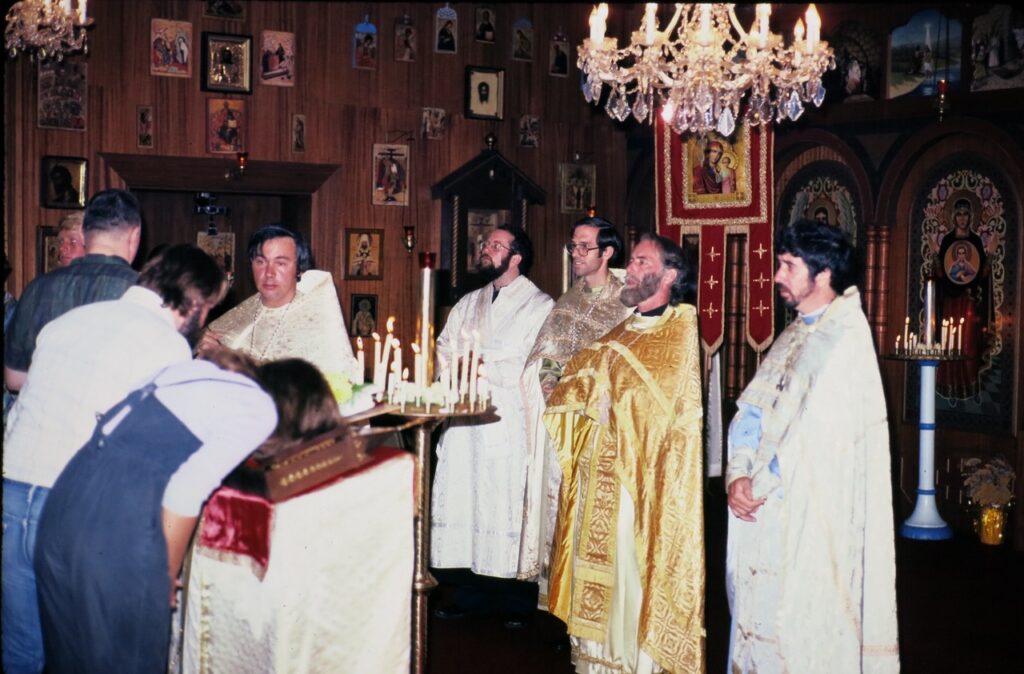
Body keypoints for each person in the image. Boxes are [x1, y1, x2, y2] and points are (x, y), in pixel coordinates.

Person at [34, 353, 342, 674]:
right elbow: (185, 491)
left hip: (63, 513)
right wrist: (164, 577)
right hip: (115, 539)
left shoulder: (196, 375)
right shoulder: (258, 408)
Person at [2, 244, 225, 674]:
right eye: (209, 309)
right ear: (195, 303)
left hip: (12, 489)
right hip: (72, 508)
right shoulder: (169, 347)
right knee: (87, 653)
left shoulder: (66, 322)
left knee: (20, 650)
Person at [725, 218, 899, 673]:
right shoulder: (795, 332)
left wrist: (757, 484)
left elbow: (820, 441)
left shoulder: (844, 341)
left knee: (800, 633)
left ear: (821, 274)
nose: (778, 276)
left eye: (787, 265)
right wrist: (738, 473)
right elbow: (753, 410)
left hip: (807, 515)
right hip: (760, 505)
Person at [544, 233, 703, 673]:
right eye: (630, 261)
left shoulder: (680, 330)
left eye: (640, 261)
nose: (629, 270)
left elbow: (670, 417)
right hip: (599, 475)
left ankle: (635, 661)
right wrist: (572, 390)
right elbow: (579, 377)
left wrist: (612, 402)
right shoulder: (624, 328)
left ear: (670, 274)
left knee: (632, 569)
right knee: (600, 571)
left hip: (639, 480)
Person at [431, 225, 553, 623]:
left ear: (516, 257)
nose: (485, 250)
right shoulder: (469, 301)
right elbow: (445, 348)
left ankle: (514, 597)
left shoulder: (540, 305)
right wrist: (461, 366)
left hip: (506, 419)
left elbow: (532, 363)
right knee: (467, 497)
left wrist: (482, 363)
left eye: (495, 246)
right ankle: (467, 589)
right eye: (485, 244)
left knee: (503, 502)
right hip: (466, 418)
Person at [516, 217, 633, 607]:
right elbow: (548, 354)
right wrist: (551, 385)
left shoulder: (629, 303)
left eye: (585, 247)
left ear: (608, 252)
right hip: (565, 421)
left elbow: (633, 364)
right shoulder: (567, 301)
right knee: (563, 508)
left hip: (608, 426)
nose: (576, 254)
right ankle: (563, 600)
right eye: (573, 246)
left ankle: (602, 601)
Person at [4, 189, 142, 394]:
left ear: (87, 237)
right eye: (61, 242)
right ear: (134, 236)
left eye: (72, 241)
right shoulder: (145, 290)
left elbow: (15, 379)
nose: (62, 249)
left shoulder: (38, 289)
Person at [199, 225, 359, 381]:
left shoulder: (318, 320)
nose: (269, 273)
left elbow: (316, 388)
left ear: (299, 268)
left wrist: (226, 358)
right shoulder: (241, 312)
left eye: (280, 263)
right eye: (261, 262)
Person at [932, 198, 991, 398]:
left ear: (971, 217)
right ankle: (947, 384)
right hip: (950, 300)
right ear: (953, 217)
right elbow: (941, 275)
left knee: (968, 342)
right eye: (959, 214)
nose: (963, 218)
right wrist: (934, 255)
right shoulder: (948, 241)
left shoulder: (975, 241)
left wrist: (990, 256)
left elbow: (981, 275)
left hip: (969, 300)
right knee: (950, 342)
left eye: (966, 214)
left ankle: (968, 385)